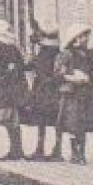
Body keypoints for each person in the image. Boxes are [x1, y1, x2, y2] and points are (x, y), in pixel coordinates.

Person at [57, 25, 93, 164]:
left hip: (85, 92)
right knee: (72, 123)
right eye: (83, 36)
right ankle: (74, 153)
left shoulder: (88, 54)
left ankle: (81, 153)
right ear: (76, 38)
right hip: (71, 93)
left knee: (82, 124)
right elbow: (60, 73)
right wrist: (72, 78)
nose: (85, 39)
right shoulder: (67, 54)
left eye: (86, 36)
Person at [0, 19, 28, 160]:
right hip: (5, 87)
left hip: (11, 88)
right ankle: (15, 149)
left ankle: (16, 150)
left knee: (11, 119)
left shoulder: (9, 50)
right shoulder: (1, 48)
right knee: (8, 120)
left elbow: (13, 70)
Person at [24, 25, 65, 161]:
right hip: (50, 89)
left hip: (45, 89)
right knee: (55, 120)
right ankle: (55, 149)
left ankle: (42, 149)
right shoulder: (55, 51)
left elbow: (34, 67)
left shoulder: (46, 52)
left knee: (43, 119)